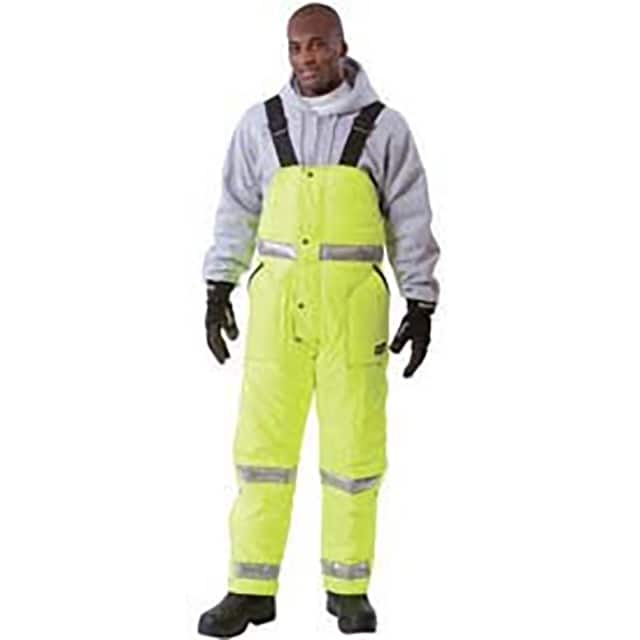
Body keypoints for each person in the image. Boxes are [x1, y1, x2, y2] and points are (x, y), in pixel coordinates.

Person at [198, 3, 440, 636]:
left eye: (317, 44)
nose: (306, 57)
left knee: (354, 455)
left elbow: (410, 219)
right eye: (296, 47)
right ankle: (249, 588)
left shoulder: (384, 129)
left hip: (352, 317)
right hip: (276, 315)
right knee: (261, 454)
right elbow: (236, 209)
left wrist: (421, 301)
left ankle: (348, 588)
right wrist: (218, 286)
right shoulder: (260, 124)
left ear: (341, 47)